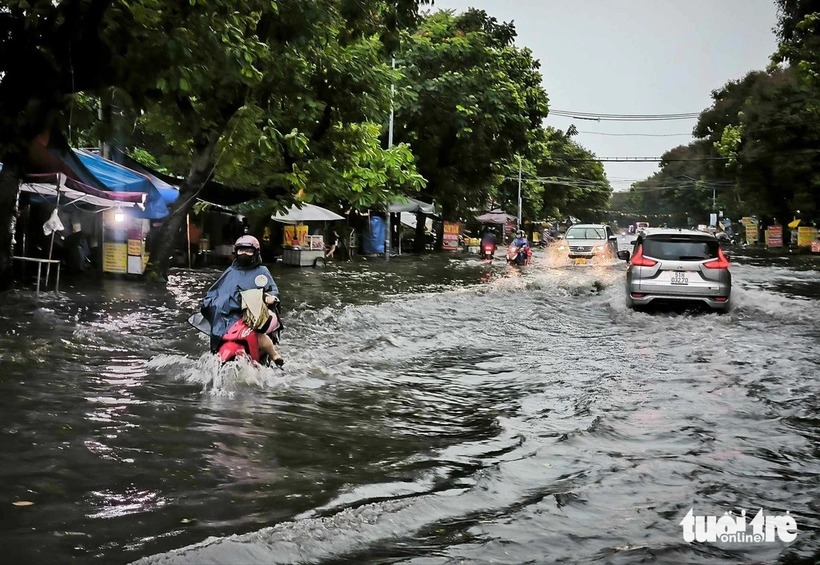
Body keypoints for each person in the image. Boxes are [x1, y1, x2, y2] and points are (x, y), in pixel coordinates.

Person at [200, 235, 283, 366]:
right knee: (218, 334)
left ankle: (273, 354)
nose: (244, 253)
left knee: (260, 336)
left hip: (253, 315)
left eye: (248, 251)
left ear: (255, 252)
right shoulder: (230, 272)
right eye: (241, 250)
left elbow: (272, 289)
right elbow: (217, 291)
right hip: (230, 315)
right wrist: (210, 302)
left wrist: (270, 297)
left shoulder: (262, 271)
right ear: (236, 252)